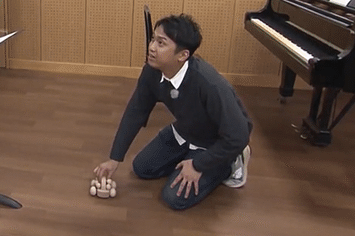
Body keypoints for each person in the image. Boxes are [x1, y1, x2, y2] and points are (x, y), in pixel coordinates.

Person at [93, 14, 252, 210]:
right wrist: (114, 158)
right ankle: (188, 158)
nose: (152, 47)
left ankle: (231, 162)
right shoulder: (151, 71)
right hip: (184, 131)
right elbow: (135, 112)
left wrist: (198, 165)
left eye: (161, 43)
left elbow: (239, 135)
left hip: (214, 143)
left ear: (182, 55)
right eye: (153, 39)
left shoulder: (210, 84)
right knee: (142, 168)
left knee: (173, 197)